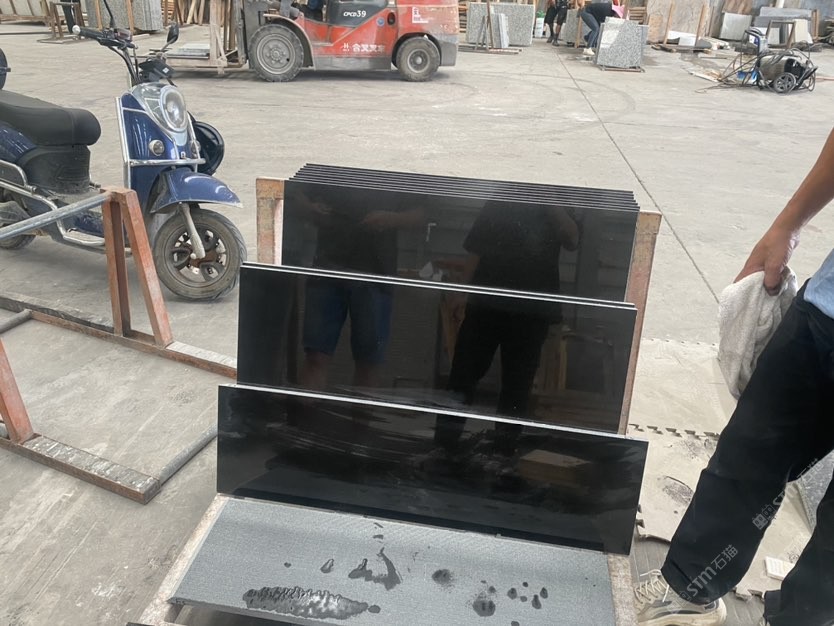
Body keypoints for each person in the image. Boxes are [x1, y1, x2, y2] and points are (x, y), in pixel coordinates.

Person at [634, 128, 834, 626]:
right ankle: (690, 590)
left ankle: (800, 619)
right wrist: (788, 224)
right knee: (749, 450)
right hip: (826, 310)